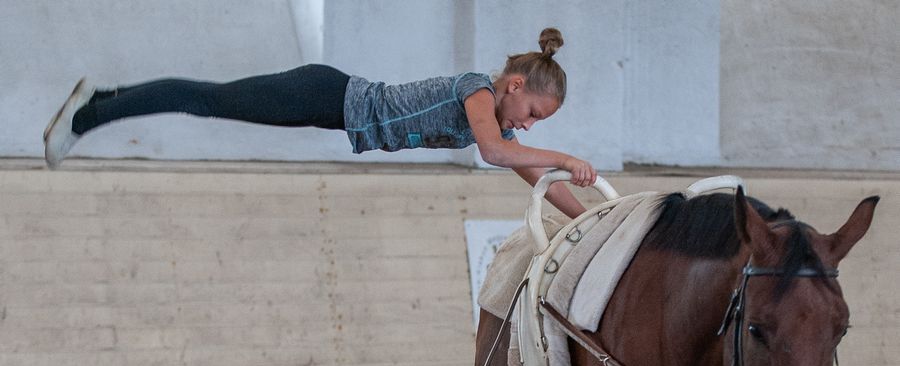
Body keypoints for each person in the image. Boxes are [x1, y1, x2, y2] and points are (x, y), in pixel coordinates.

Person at [44, 28, 594, 218]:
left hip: (328, 110)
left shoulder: (505, 128)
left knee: (208, 99)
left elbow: (540, 183)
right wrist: (566, 160)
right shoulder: (477, 90)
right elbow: (496, 155)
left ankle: (105, 97)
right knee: (208, 100)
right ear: (515, 87)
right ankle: (91, 112)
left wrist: (597, 216)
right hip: (325, 92)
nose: (532, 127)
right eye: (533, 115)